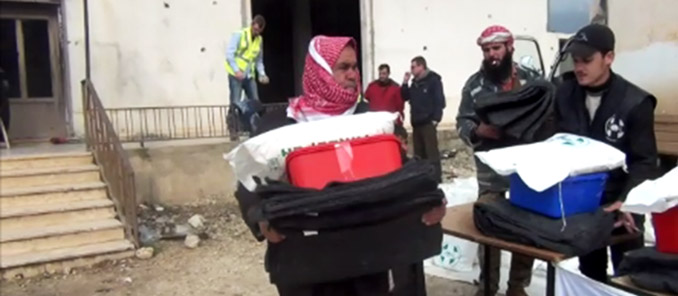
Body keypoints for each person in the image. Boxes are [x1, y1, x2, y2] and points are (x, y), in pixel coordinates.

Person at [234, 35, 446, 296]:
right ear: (318, 71)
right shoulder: (279, 126)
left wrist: (431, 199)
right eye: (343, 67)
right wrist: (260, 219)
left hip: (370, 257)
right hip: (307, 262)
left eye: (355, 67)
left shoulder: (373, 121)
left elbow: (402, 174)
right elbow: (247, 184)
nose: (353, 75)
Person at [554, 24, 659, 283]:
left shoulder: (635, 102)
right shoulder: (565, 94)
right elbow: (553, 144)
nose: (579, 68)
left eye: (587, 61)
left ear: (609, 58)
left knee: (629, 276)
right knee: (591, 275)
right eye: (576, 61)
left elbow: (645, 160)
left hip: (621, 204)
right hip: (583, 206)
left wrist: (627, 201)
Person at [457, 25, 542, 296]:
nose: (492, 54)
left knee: (526, 232)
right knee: (489, 234)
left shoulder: (532, 80)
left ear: (509, 47)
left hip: (527, 173)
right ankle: (487, 288)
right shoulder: (474, 86)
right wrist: (477, 131)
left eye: (496, 48)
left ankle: (517, 287)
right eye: (486, 50)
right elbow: (462, 121)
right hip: (491, 175)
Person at [401, 56, 445, 182]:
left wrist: (436, 119)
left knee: (431, 152)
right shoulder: (415, 83)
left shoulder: (433, 80)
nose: (411, 70)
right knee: (419, 154)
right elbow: (405, 96)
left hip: (428, 122)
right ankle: (422, 179)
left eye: (413, 67)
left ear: (421, 66)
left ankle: (435, 179)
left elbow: (439, 100)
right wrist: (405, 82)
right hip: (416, 122)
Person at [225, 14, 270, 135]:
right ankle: (233, 130)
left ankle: (254, 130)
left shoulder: (259, 40)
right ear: (251, 25)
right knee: (235, 102)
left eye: (258, 30)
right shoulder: (239, 35)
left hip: (249, 76)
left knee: (255, 102)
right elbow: (229, 55)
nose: (256, 32)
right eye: (254, 29)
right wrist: (236, 70)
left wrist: (262, 74)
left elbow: (258, 60)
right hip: (236, 75)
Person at [365, 64, 408, 143]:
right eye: (380, 73)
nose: (382, 76)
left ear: (388, 74)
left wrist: (398, 120)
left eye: (384, 74)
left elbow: (400, 106)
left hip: (389, 124)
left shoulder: (395, 88)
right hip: (375, 123)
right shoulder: (372, 87)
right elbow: (366, 100)